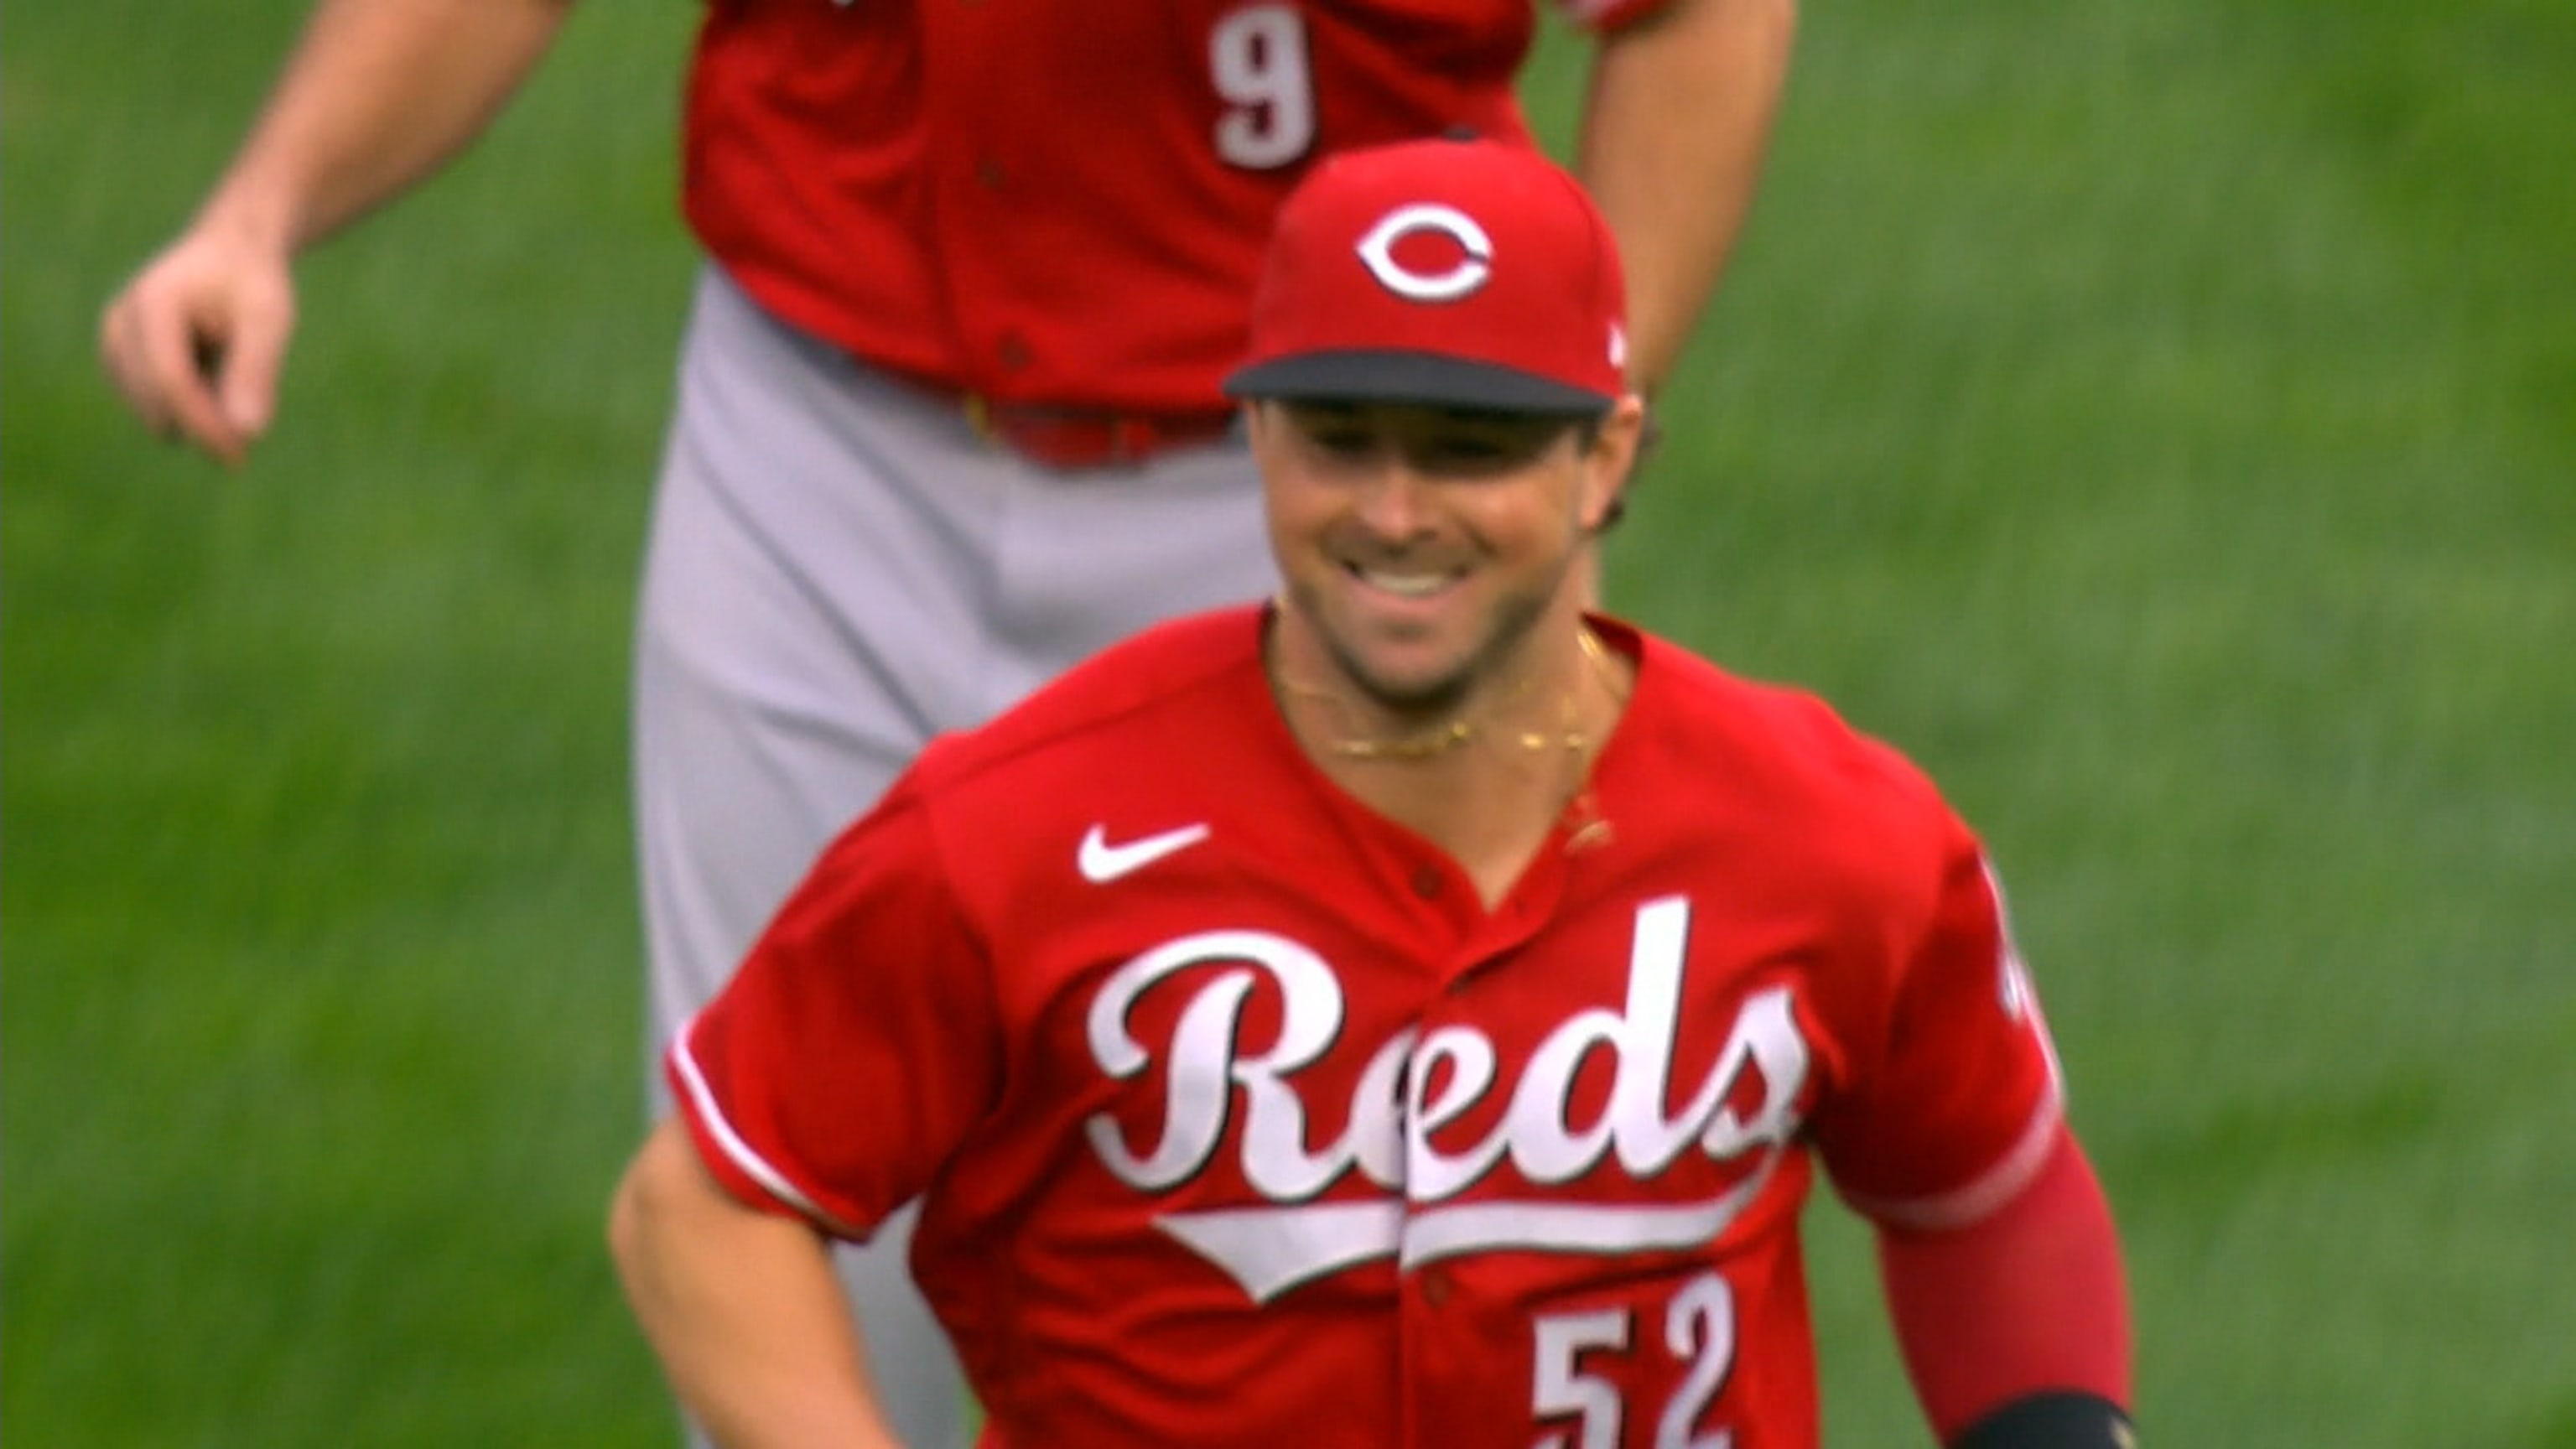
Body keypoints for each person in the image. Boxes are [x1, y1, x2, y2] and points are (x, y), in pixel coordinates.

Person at [99, 5, 1794, 1444]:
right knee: (779, 1256)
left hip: (1305, 497)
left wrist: (1540, 453)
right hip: (815, 463)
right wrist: (264, 209)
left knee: (1303, 1281)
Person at [609, 135, 2134, 1449]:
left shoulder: (1828, 837)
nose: (1394, 514)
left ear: (1606, 457)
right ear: (1255, 429)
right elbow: (707, 1205)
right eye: (1340, 440)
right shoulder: (1020, 832)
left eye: (1469, 451)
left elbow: (1983, 1188)